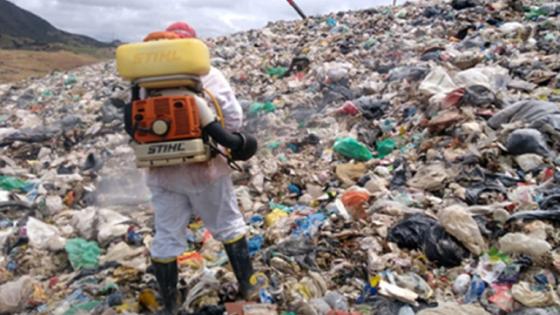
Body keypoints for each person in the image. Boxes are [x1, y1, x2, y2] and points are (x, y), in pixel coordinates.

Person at [144, 22, 257, 314]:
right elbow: (233, 118)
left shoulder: (145, 81)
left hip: (162, 171)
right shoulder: (208, 74)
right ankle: (249, 288)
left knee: (166, 236)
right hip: (206, 168)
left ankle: (171, 303)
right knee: (228, 224)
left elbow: (137, 127)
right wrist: (230, 141)